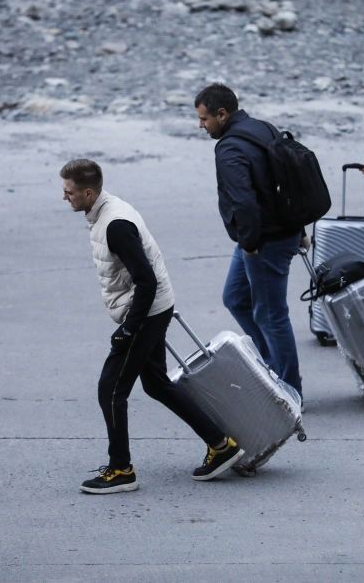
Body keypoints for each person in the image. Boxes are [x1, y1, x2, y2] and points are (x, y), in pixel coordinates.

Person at [60, 158, 244, 494]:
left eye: (69, 192)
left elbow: (146, 281)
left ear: (88, 193)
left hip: (145, 312)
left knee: (111, 389)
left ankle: (121, 470)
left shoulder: (115, 225)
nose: (64, 197)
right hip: (152, 308)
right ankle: (221, 445)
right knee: (156, 384)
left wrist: (130, 328)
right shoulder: (106, 211)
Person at [193, 83, 304, 399]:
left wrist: (251, 243)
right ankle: (272, 365)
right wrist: (299, 229)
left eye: (204, 119)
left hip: (264, 240)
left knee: (271, 315)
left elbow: (244, 201)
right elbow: (289, 183)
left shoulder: (230, 148)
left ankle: (290, 390)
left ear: (222, 114)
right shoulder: (263, 128)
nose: (201, 125)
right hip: (267, 234)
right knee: (235, 298)